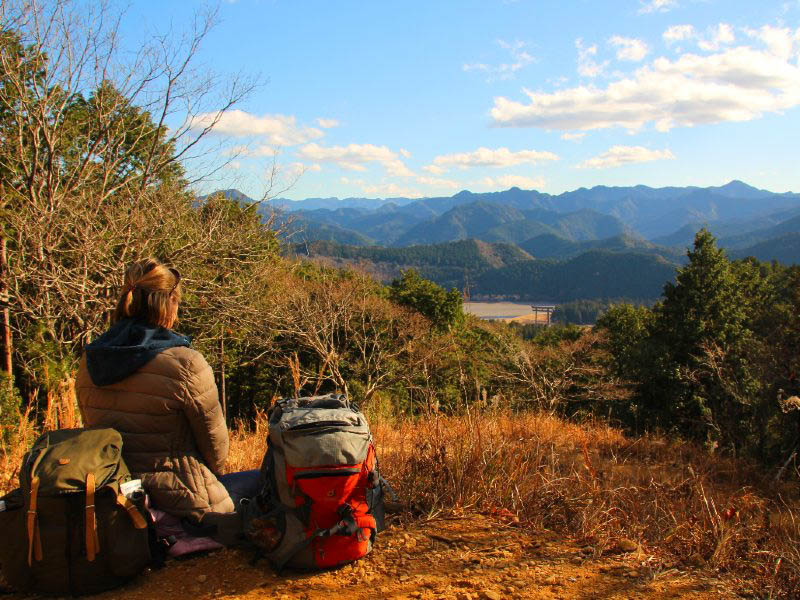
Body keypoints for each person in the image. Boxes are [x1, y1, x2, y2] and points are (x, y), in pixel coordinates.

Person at [76, 258, 259, 528]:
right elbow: (217, 454)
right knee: (266, 478)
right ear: (169, 302)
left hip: (118, 501)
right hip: (188, 504)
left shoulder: (90, 361)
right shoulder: (185, 363)